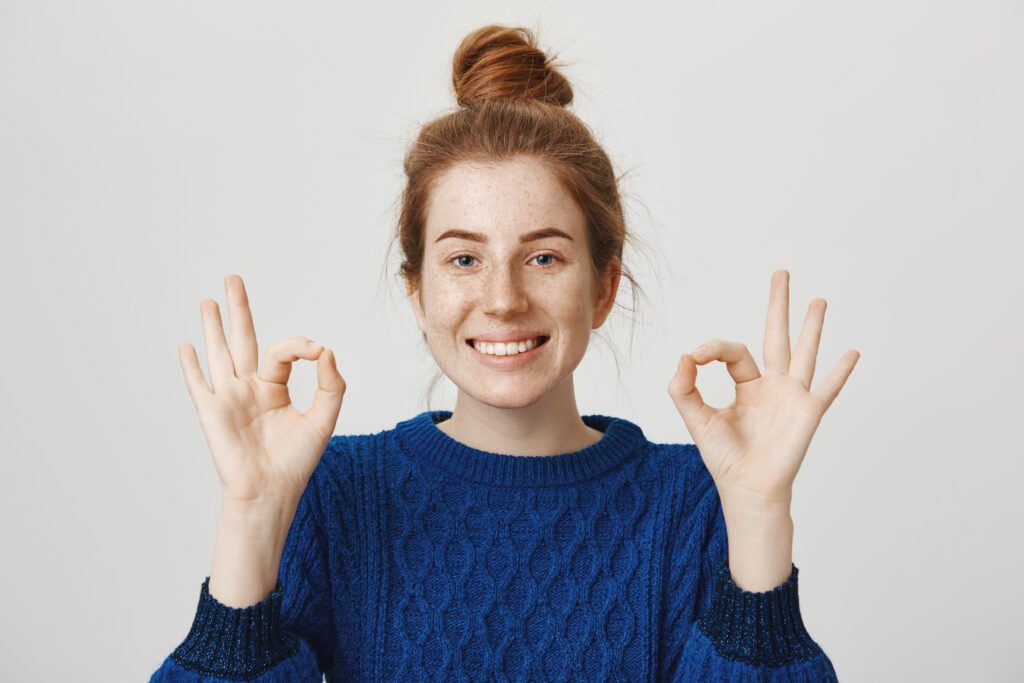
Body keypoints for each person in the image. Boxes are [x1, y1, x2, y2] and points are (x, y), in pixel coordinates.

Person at [150, 24, 857, 682]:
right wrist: (251, 512)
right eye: (463, 259)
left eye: (544, 256)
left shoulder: (699, 500)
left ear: (603, 288)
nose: (503, 299)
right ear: (417, 292)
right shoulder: (332, 492)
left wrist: (762, 508)